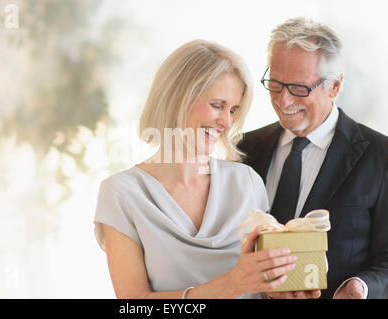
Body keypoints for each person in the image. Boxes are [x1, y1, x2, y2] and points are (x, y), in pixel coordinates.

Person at [94, 40, 298, 299]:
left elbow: (265, 286)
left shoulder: (246, 182)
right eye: (217, 105)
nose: (226, 122)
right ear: (177, 97)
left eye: (233, 110)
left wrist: (286, 290)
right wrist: (230, 285)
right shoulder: (122, 193)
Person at [238, 17, 388, 299]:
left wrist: (361, 286)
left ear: (334, 86)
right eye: (275, 84)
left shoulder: (381, 156)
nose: (283, 101)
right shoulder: (245, 148)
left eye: (298, 88)